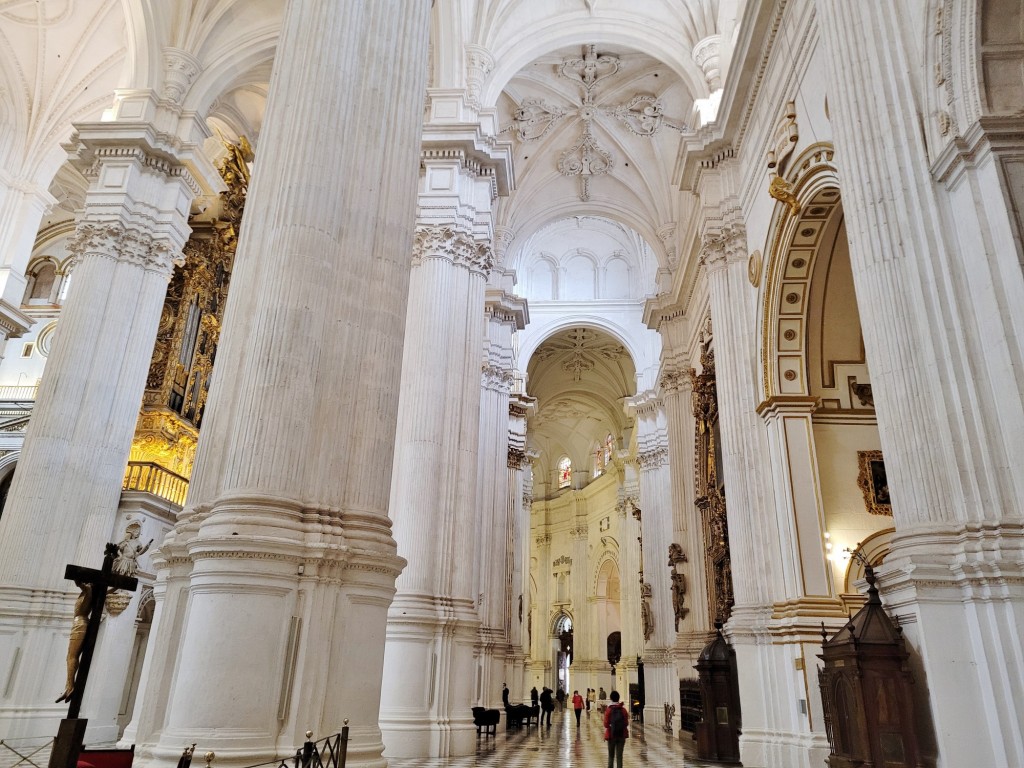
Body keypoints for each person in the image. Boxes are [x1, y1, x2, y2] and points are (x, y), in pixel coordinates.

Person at [604, 690, 629, 768]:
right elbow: (626, 723)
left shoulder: (608, 710)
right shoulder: (623, 710)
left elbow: (605, 724)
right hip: (621, 735)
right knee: (619, 756)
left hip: (611, 735)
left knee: (611, 756)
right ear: (618, 698)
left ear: (611, 699)